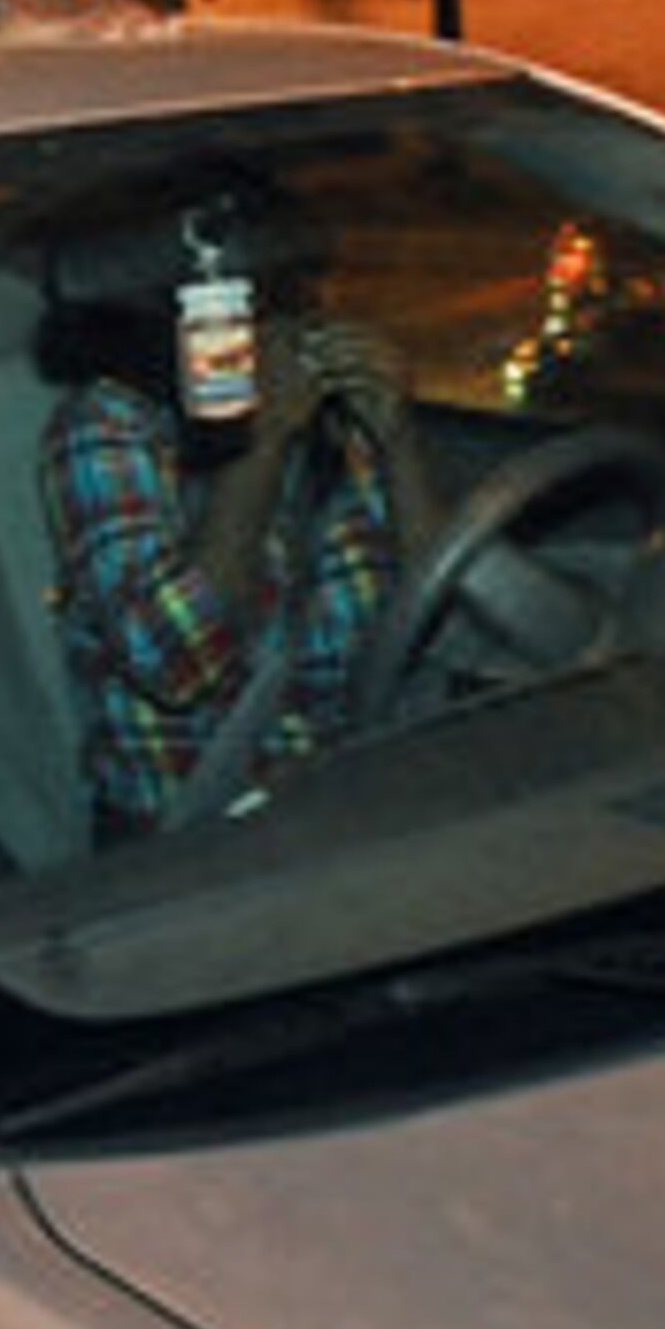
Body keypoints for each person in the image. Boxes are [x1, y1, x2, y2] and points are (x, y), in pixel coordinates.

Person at [37, 175, 417, 845]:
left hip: (348, 798)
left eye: (302, 290)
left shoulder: (327, 418)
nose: (305, 317)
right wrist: (263, 442)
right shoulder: (106, 428)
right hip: (198, 840)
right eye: (273, 299)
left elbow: (446, 614)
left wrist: (397, 437)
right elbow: (175, 663)